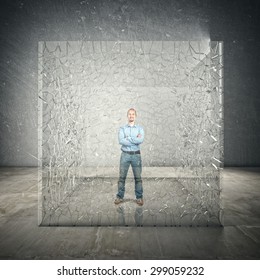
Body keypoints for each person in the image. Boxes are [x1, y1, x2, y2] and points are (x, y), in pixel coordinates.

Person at [114, 108, 144, 206]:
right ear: (127, 116)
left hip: (136, 155)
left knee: (138, 178)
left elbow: (141, 140)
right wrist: (134, 139)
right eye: (129, 114)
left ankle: (139, 198)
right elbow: (121, 141)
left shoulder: (140, 129)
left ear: (135, 116)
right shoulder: (122, 129)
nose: (131, 116)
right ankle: (119, 197)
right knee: (122, 177)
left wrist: (128, 138)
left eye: (133, 114)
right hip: (125, 155)